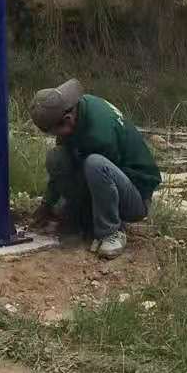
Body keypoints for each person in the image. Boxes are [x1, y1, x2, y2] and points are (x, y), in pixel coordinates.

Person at [30, 78, 161, 259]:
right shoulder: (78, 109)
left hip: (136, 198)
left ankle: (111, 232)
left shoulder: (98, 135)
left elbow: (101, 182)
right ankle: (84, 219)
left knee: (95, 164)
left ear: (67, 120)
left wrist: (74, 216)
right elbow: (68, 168)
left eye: (53, 132)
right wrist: (47, 204)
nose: (54, 136)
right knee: (57, 157)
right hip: (112, 183)